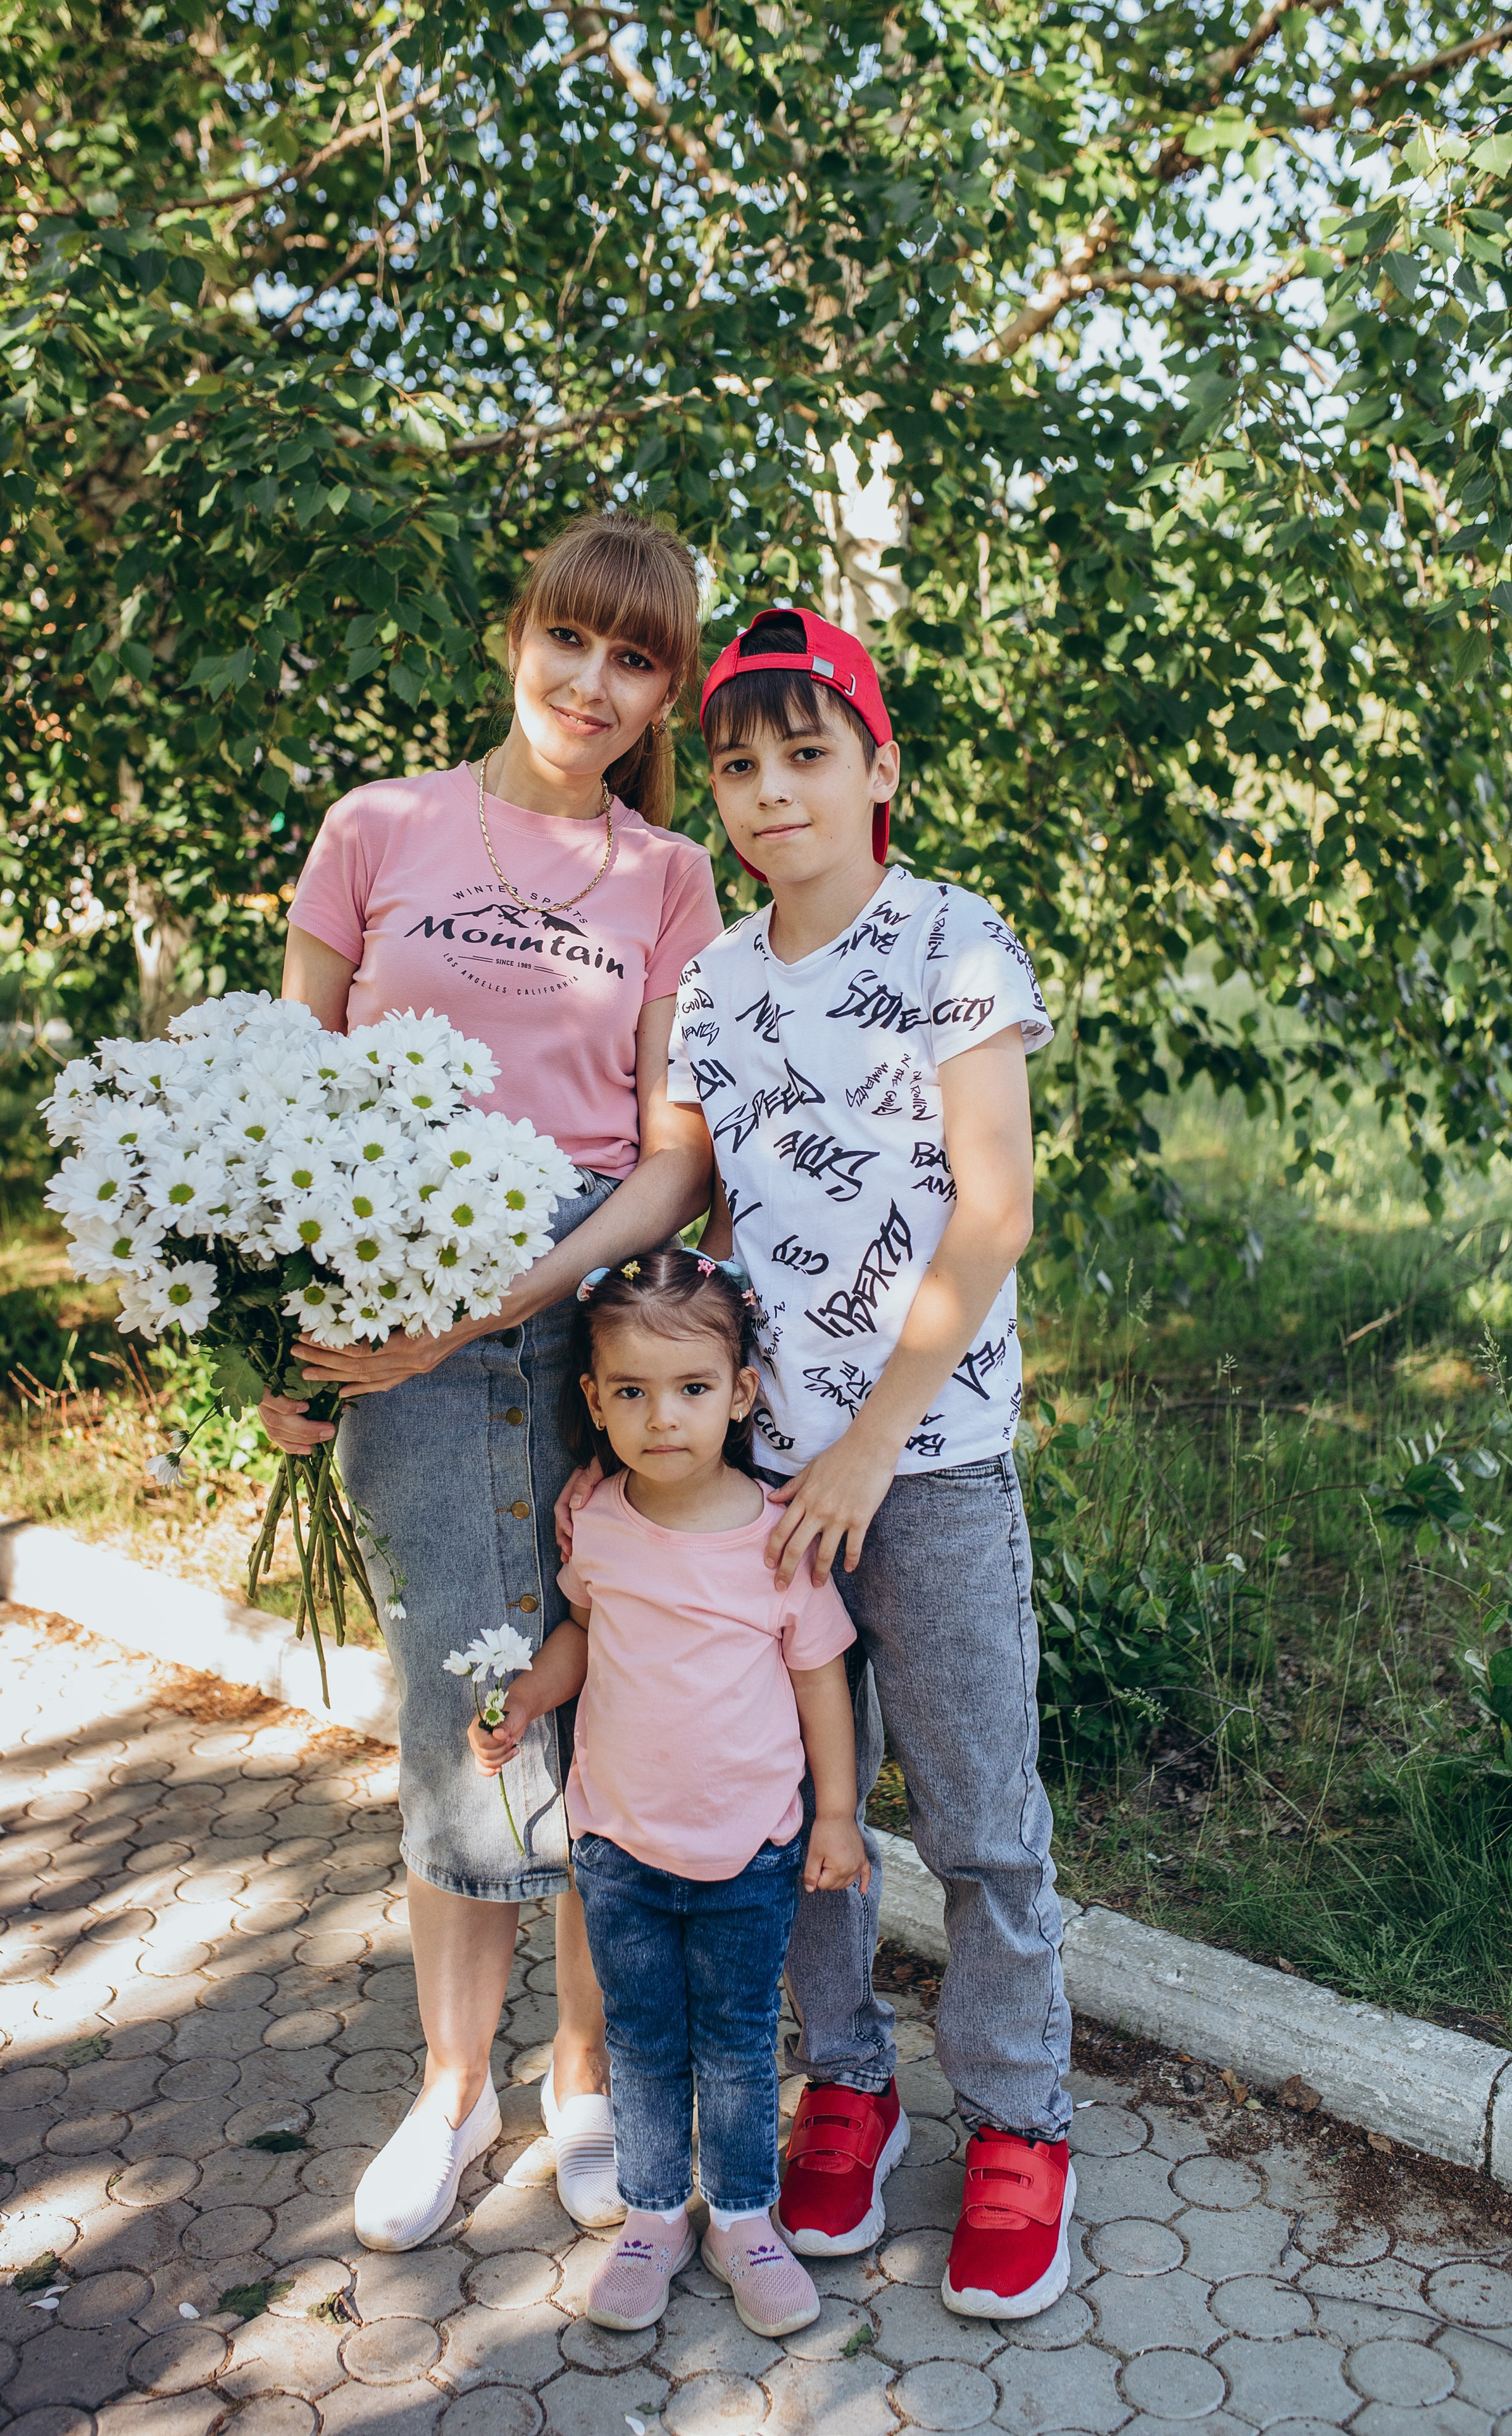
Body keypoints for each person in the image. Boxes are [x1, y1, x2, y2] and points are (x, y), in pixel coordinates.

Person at [261, 514, 722, 2251]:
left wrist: (499, 1300)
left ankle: (583, 2076)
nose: (593, 685)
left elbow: (674, 1161)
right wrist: (284, 1349)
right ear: (513, 633)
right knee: (459, 1696)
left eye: (636, 660)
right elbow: (274, 1119)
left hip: (596, 1331)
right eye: (572, 639)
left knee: (606, 1704)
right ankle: (453, 2088)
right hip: (398, 1337)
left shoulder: (669, 879)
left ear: (663, 688)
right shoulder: (378, 828)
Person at [666, 605, 1074, 2320]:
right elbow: (673, 1204)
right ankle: (847, 2079)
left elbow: (995, 1211)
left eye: (806, 756)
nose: (771, 795)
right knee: (796, 1817)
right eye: (739, 767)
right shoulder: (710, 981)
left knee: (980, 1822)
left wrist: (868, 1446)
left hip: (934, 1464)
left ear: (879, 769)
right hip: (764, 1482)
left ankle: (1020, 2120)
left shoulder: (952, 943)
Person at [473, 1250, 865, 2337]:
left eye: (693, 1391)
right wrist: (522, 1702)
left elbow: (820, 1677)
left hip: (750, 1849)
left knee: (736, 2042)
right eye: (633, 1394)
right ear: (593, 1401)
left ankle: (743, 2215)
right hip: (619, 1847)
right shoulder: (594, 1519)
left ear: (741, 1395)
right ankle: (655, 2215)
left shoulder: (778, 1537)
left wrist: (836, 1813)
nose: (663, 1419)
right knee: (644, 2040)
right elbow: (582, 1636)